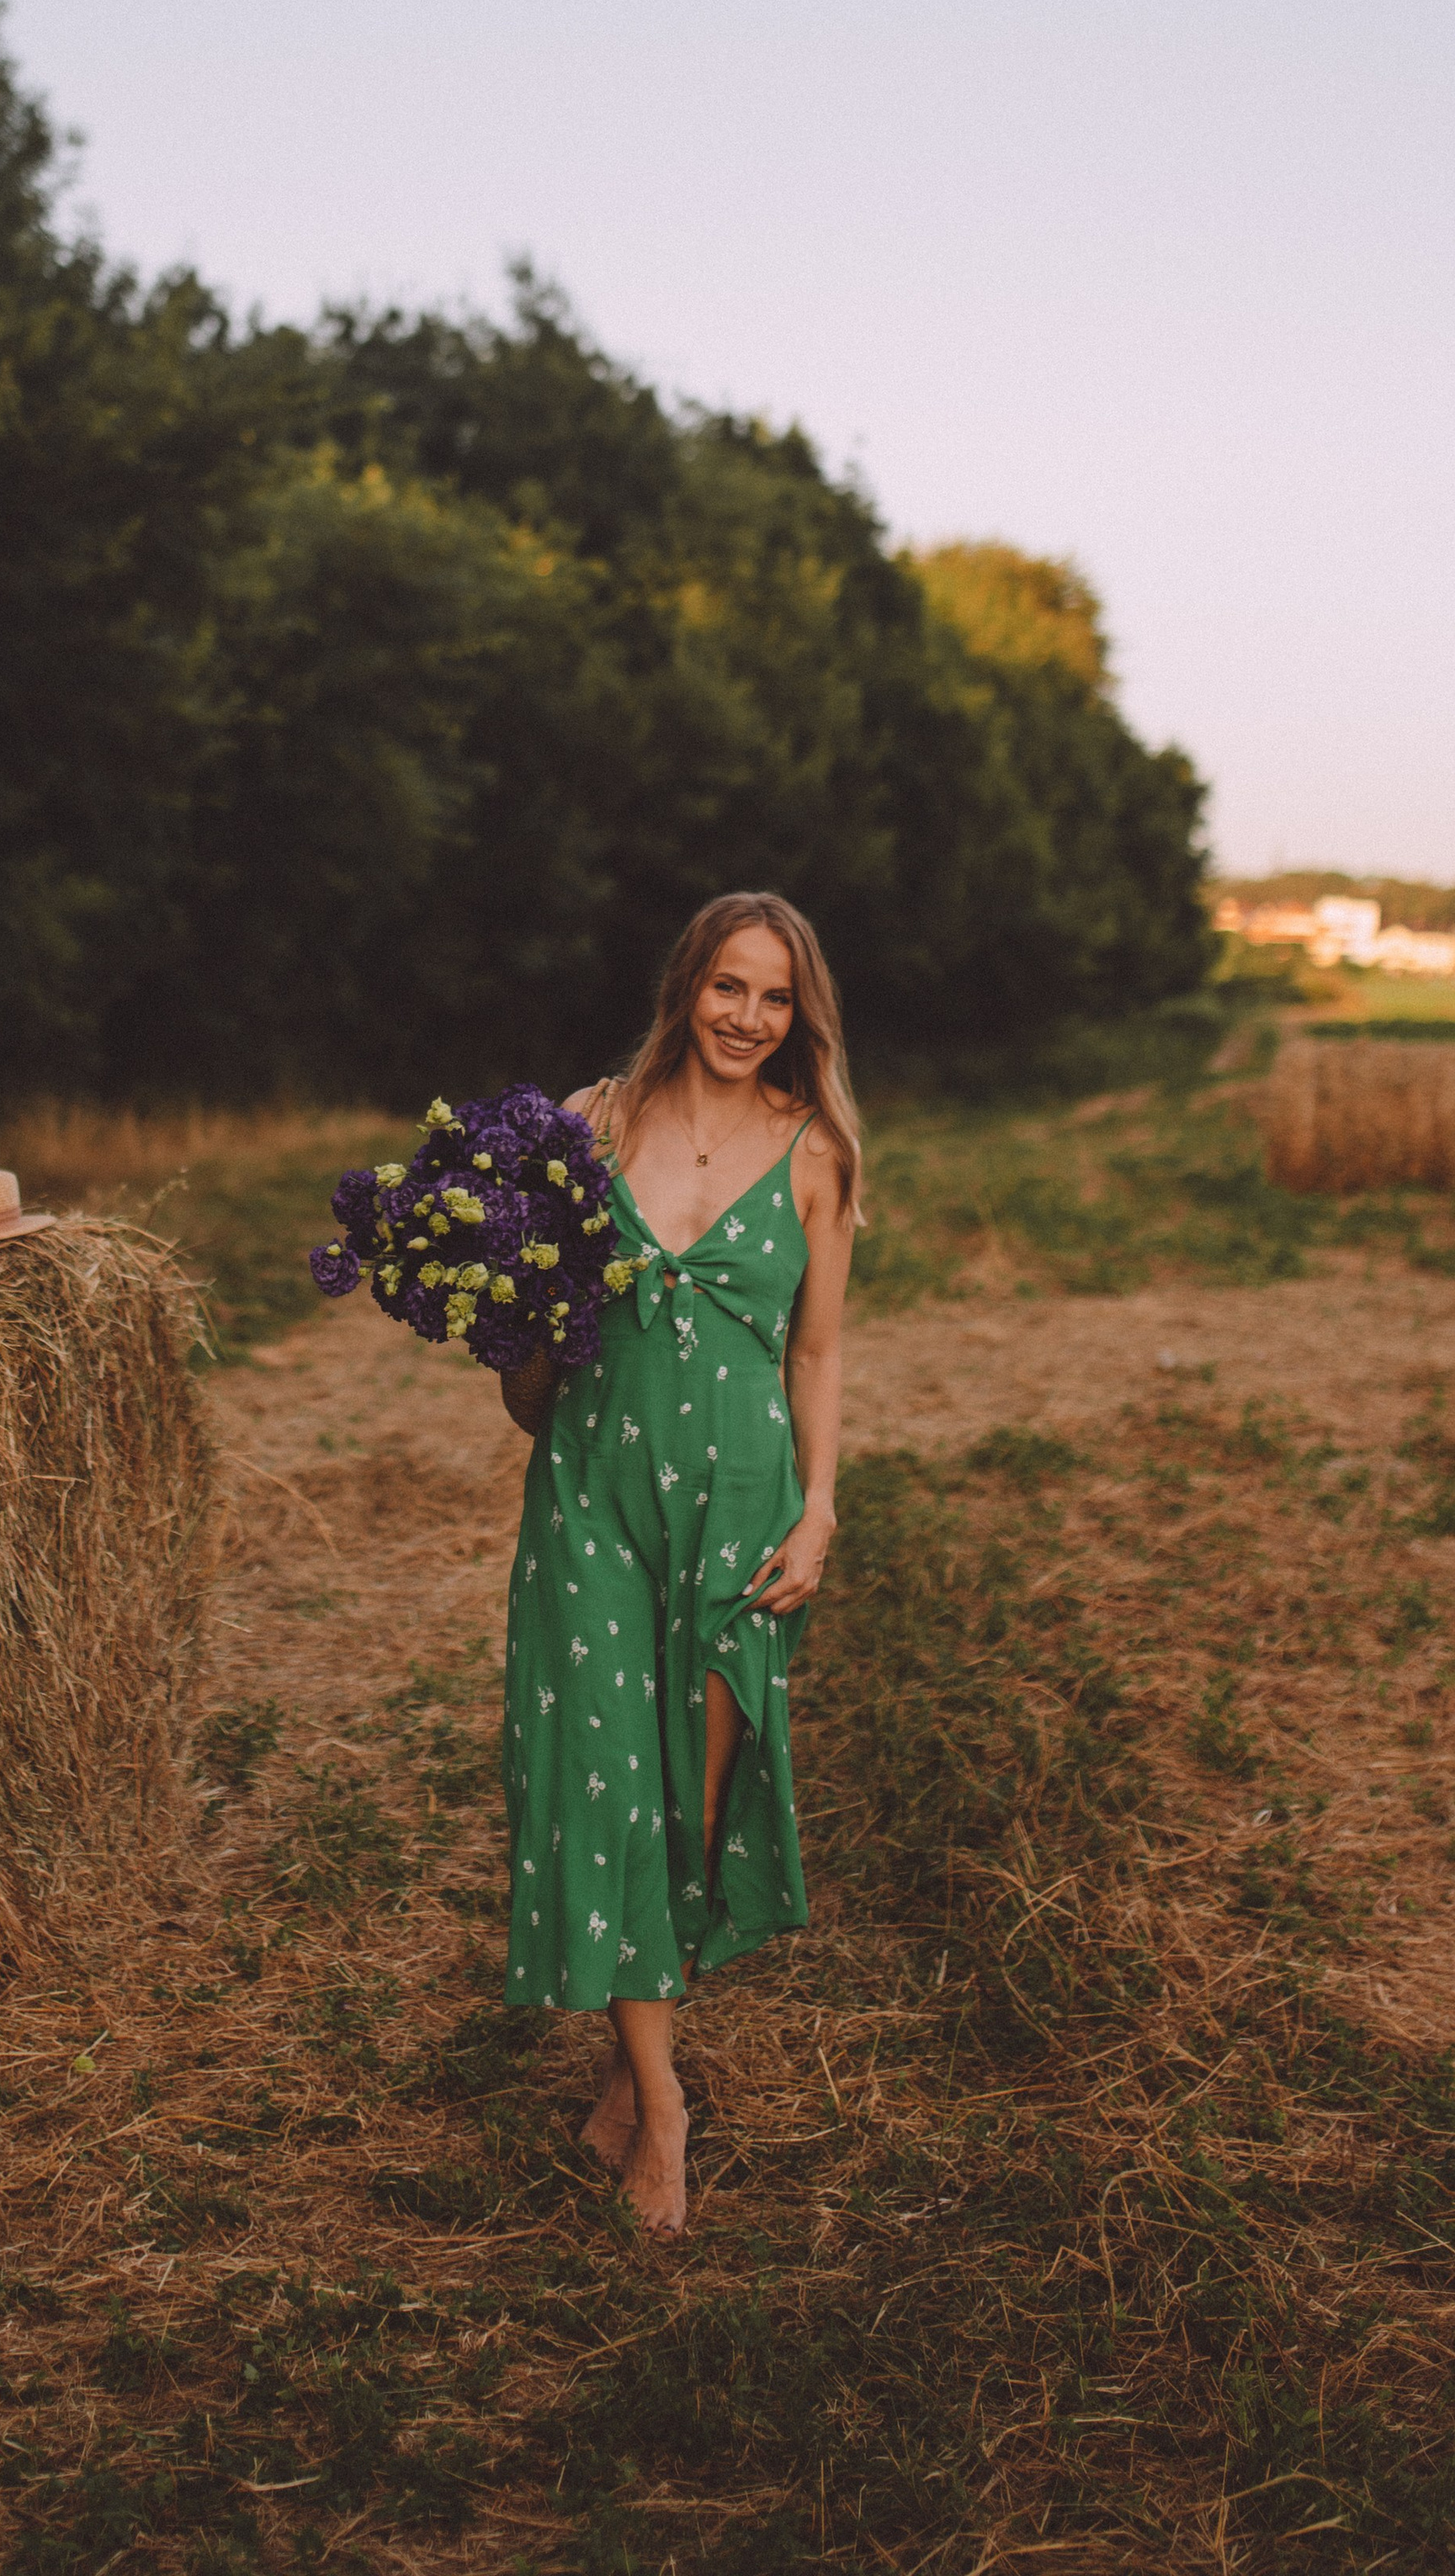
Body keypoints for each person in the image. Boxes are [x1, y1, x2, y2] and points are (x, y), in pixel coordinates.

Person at [497, 890, 862, 2236]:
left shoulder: (816, 1152)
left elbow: (815, 1351)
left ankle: (625, 2059)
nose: (747, 1018)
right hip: (592, 1494)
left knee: (685, 1816)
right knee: (608, 1792)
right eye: (728, 987)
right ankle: (664, 2108)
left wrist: (818, 1510)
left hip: (741, 1507)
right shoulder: (588, 1127)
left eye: (774, 997)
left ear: (799, 1015)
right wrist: (513, 1324)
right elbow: (527, 1376)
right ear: (686, 985)